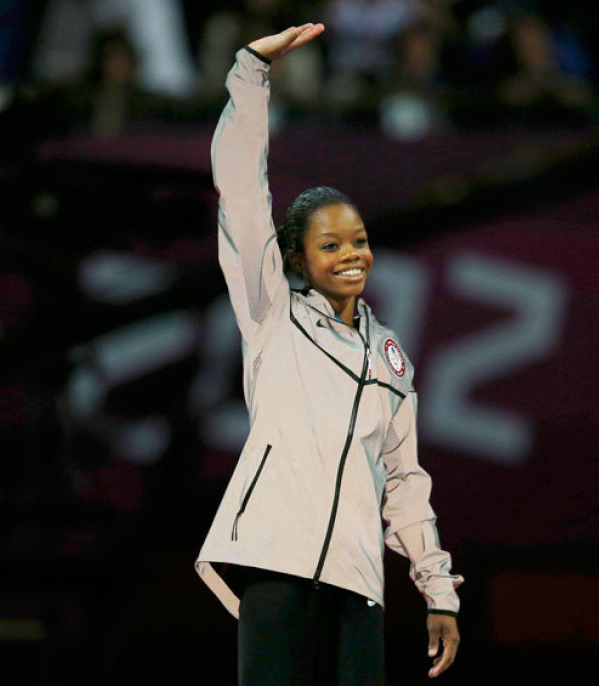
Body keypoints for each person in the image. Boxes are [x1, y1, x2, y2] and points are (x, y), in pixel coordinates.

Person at [195, 24, 462, 684]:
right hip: (274, 563)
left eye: (360, 241)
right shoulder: (271, 313)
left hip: (357, 576)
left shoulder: (389, 353)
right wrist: (251, 75)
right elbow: (242, 191)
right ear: (297, 259)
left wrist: (438, 589)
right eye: (332, 245)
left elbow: (403, 478)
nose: (352, 256)